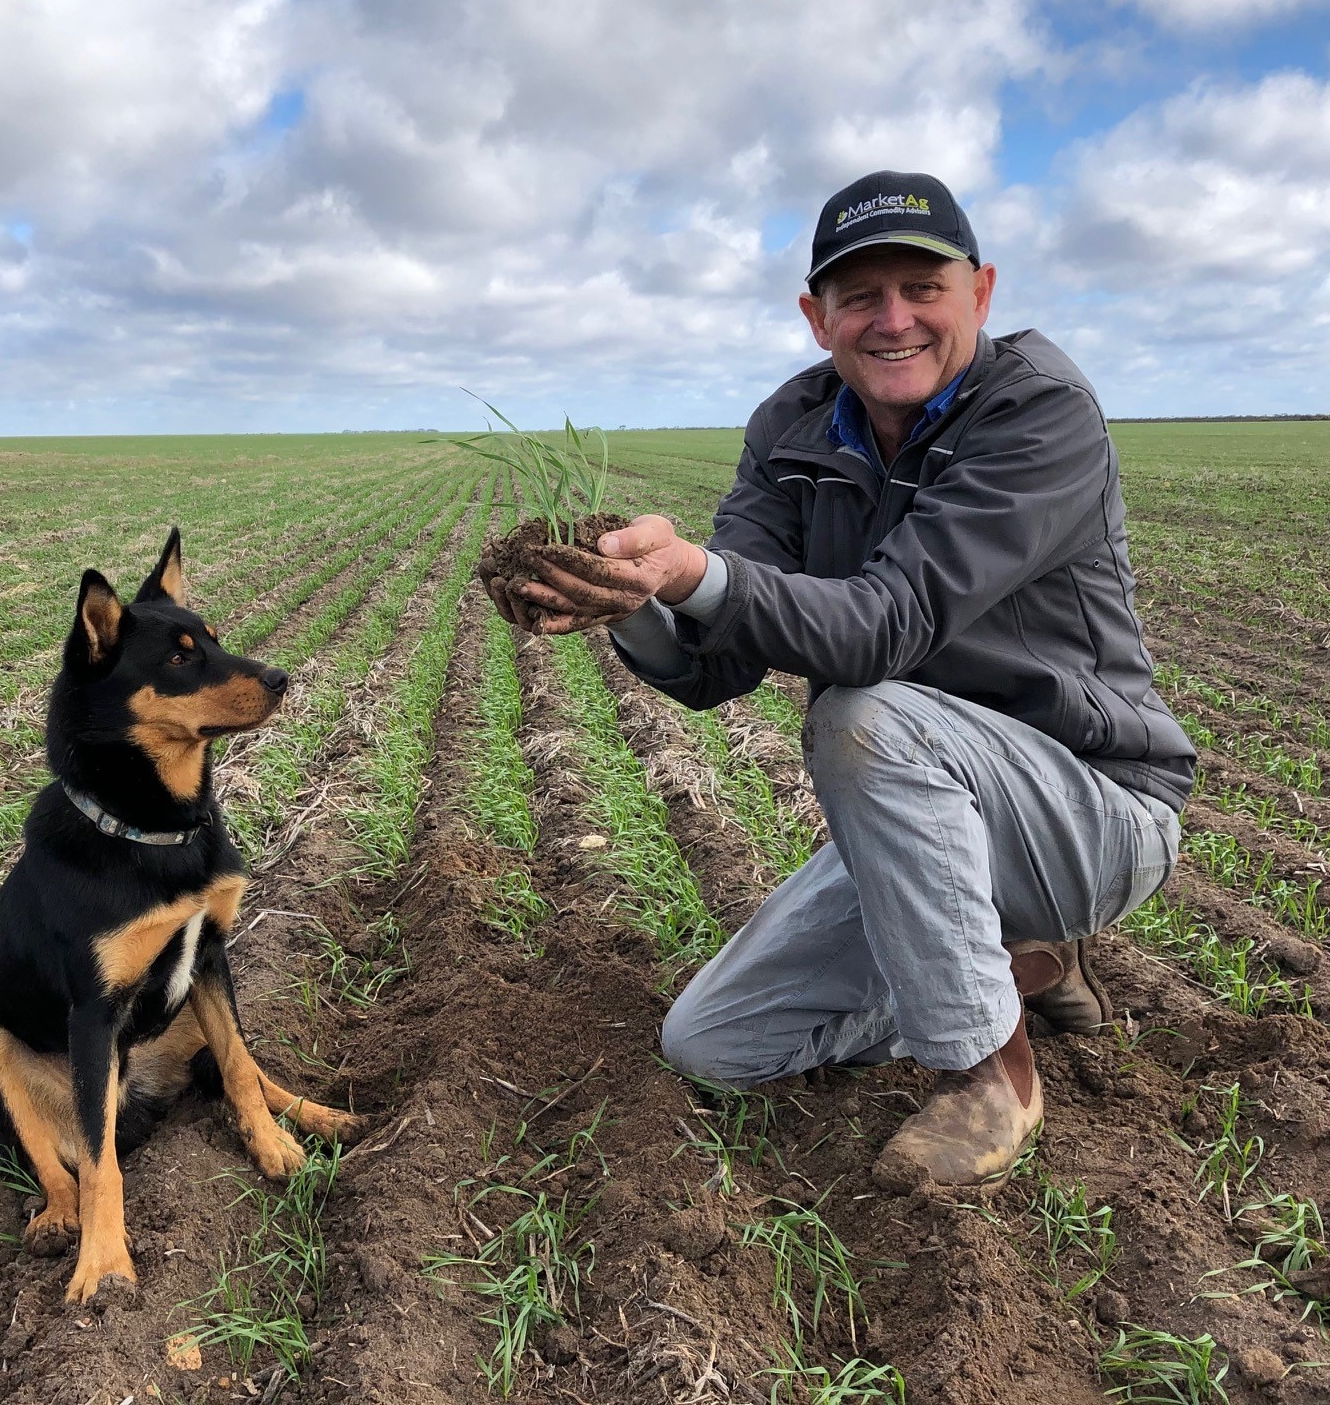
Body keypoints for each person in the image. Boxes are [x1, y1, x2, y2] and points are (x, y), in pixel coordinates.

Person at [480, 170, 1192, 1190]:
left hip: (1091, 812)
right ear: (817, 319)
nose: (892, 319)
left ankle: (991, 1071)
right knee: (713, 1044)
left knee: (864, 715)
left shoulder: (1040, 415)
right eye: (860, 296)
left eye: (923, 289)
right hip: (926, 823)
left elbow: (884, 627)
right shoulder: (795, 429)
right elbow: (715, 667)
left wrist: (695, 571)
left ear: (980, 295)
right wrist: (631, 597)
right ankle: (1020, 966)